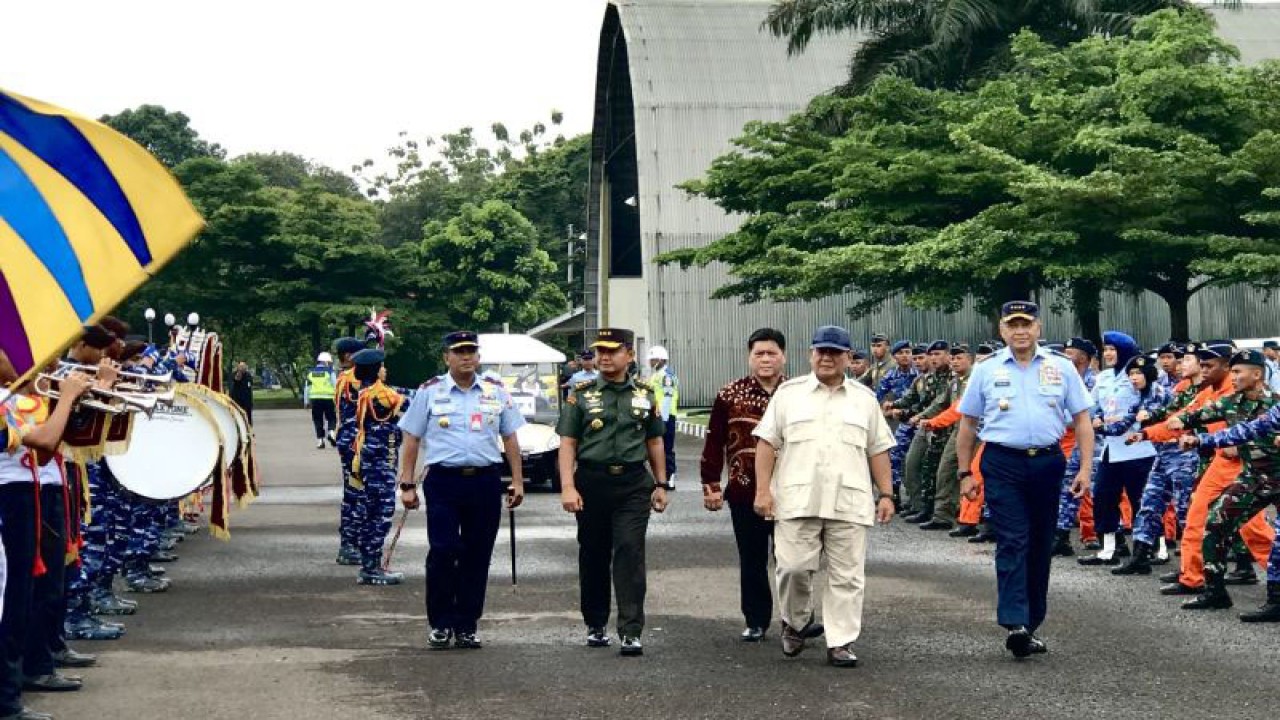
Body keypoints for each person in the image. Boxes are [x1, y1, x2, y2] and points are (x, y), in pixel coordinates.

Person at [956, 300, 1094, 658]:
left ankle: (1030, 625)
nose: (1020, 331)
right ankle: (1014, 620)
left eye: (1026, 324)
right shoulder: (986, 369)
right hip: (1002, 461)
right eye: (1013, 325)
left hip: (1047, 462)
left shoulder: (1060, 367)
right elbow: (968, 423)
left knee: (1040, 542)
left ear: (1038, 328)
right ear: (1002, 330)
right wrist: (965, 472)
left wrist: (1085, 469)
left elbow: (1082, 420)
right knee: (1012, 539)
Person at [753, 325, 895, 668]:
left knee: (847, 576)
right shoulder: (789, 394)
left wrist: (887, 494)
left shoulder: (864, 399)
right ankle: (796, 622)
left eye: (834, 352)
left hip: (849, 500)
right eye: (821, 351)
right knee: (792, 568)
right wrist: (762, 491)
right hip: (797, 499)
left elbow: (878, 449)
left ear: (848, 357)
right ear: (811, 354)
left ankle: (841, 641)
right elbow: (767, 443)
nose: (827, 358)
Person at [397, 332, 525, 650]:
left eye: (471, 351)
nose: (466, 357)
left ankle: (467, 624)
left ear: (478, 357)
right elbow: (411, 438)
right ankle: (441, 623)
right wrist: (407, 484)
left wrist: (517, 481)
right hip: (444, 481)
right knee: (443, 549)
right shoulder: (429, 391)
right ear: (447, 357)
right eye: (459, 352)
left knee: (477, 554)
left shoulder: (495, 391)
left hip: (484, 481)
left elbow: (510, 438)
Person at [556, 328, 668, 657]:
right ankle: (595, 623)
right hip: (591, 482)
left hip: (633, 484)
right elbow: (568, 443)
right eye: (600, 351)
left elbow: (655, 441)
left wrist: (661, 484)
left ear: (629, 355)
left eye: (612, 351)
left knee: (630, 551)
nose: (604, 357)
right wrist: (567, 486)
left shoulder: (645, 393)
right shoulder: (581, 394)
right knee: (593, 553)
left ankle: (631, 630)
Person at [701, 328, 796, 642]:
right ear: (749, 357)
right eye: (759, 353)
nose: (766, 359)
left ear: (783, 356)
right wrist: (711, 484)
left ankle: (796, 620)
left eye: (772, 353)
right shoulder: (730, 394)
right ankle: (756, 620)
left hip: (792, 491)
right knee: (752, 559)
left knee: (793, 560)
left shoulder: (798, 393)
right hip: (744, 490)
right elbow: (714, 441)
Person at [1177, 350, 1278, 612]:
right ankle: (1215, 592)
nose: (1232, 377)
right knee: (1216, 522)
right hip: (1254, 477)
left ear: (1257, 374)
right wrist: (1184, 426)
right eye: (1231, 371)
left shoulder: (1275, 403)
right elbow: (1233, 427)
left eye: (1237, 372)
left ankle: (1276, 599)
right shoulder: (1232, 402)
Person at [1078, 332, 1155, 566]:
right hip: (1111, 450)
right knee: (1103, 497)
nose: (1108, 354)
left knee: (1140, 501)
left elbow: (1149, 404)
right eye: (1106, 349)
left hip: (1138, 449)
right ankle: (1108, 549)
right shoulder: (1103, 378)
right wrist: (1095, 417)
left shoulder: (1137, 375)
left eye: (1113, 349)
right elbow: (1091, 406)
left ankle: (1145, 550)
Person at [347, 349, 407, 586]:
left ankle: (369, 564)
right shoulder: (380, 394)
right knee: (380, 514)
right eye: (382, 366)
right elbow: (410, 401)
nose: (385, 369)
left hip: (371, 459)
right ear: (375, 369)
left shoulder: (366, 391)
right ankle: (371, 568)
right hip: (379, 462)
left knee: (371, 512)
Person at [332, 337, 367, 566]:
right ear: (348, 356)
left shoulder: (349, 377)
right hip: (354, 443)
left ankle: (352, 542)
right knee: (356, 494)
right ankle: (349, 544)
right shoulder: (350, 378)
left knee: (355, 493)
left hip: (352, 441)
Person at [646, 346, 680, 491]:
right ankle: (661, 477)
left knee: (666, 447)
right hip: (657, 415)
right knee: (657, 447)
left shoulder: (666, 375)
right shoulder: (657, 375)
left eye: (653, 360)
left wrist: (662, 418)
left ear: (660, 360)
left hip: (665, 416)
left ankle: (669, 477)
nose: (650, 362)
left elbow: (667, 397)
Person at [303, 352, 338, 449]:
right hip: (328, 398)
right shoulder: (330, 372)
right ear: (325, 362)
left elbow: (307, 388)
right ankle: (331, 432)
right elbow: (335, 385)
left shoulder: (310, 372)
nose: (329, 364)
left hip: (315, 399)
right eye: (329, 362)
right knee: (331, 418)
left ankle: (320, 440)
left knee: (317, 420)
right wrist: (338, 398)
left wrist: (306, 402)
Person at [229, 361, 253, 425]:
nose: (243, 368)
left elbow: (250, 385)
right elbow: (236, 380)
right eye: (241, 366)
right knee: (238, 417)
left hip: (247, 401)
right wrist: (239, 372)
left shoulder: (248, 375)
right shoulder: (235, 374)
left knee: (248, 418)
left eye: (244, 366)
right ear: (238, 367)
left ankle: (248, 427)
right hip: (237, 400)